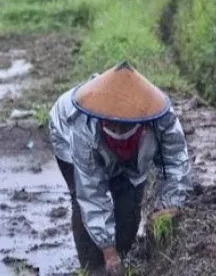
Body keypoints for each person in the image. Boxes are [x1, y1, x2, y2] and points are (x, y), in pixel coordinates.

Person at [48, 61, 192, 275]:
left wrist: (171, 204)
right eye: (112, 127)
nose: (118, 129)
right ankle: (92, 266)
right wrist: (107, 250)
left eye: (124, 128)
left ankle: (121, 256)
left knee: (128, 201)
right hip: (66, 136)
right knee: (81, 200)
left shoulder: (160, 116)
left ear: (142, 123)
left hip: (134, 146)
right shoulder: (82, 127)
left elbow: (175, 161)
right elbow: (91, 192)